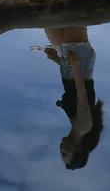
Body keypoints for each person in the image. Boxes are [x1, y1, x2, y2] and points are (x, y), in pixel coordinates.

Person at [38, 26, 104, 170]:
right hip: (80, 63)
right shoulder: (83, 126)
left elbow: (70, 85)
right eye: (65, 153)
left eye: (61, 153)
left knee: (49, 22)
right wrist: (76, 66)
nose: (61, 149)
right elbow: (82, 93)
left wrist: (55, 59)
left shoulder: (74, 123)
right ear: (78, 150)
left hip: (69, 63)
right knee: (72, 18)